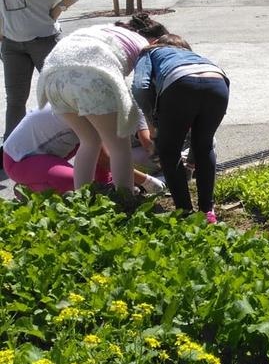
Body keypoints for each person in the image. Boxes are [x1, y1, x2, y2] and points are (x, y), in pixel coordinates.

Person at [36, 13, 167, 195]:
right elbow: (143, 88)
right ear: (156, 41)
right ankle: (125, 200)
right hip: (91, 78)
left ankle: (82, 200)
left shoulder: (104, 30)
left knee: (89, 141)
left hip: (52, 78)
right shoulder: (145, 46)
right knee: (119, 147)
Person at [1, 0, 90, 142]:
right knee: (15, 100)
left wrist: (60, 7)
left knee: (59, 95)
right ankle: (11, 148)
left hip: (44, 41)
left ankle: (83, 139)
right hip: (12, 45)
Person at [132, 34, 229, 223]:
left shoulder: (150, 51)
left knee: (169, 151)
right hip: (218, 82)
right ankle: (207, 212)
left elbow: (139, 87)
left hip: (179, 84)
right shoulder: (193, 56)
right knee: (205, 146)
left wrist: (152, 123)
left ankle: (184, 212)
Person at [2, 105, 166, 195]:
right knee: (76, 185)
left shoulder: (93, 103)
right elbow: (106, 159)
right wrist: (146, 181)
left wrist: (109, 183)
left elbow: (101, 156)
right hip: (19, 160)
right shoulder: (93, 111)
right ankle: (27, 191)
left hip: (45, 156)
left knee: (93, 153)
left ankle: (103, 185)